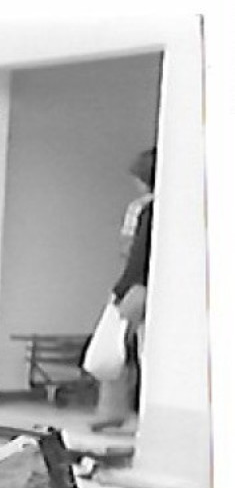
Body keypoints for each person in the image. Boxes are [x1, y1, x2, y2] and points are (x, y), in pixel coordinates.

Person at [92, 148, 155, 432]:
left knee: (128, 350)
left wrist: (124, 288)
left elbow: (134, 253)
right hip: (145, 286)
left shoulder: (145, 210)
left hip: (137, 288)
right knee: (132, 351)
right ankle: (125, 413)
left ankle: (124, 413)